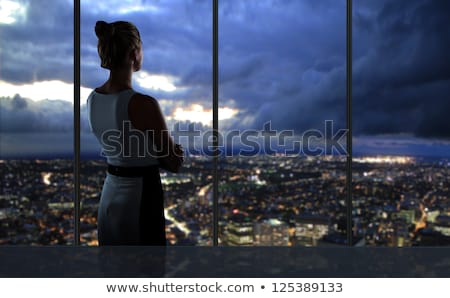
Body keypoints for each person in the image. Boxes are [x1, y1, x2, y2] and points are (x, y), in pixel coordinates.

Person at [87, 20, 184, 246]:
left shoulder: (92, 100)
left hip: (109, 193)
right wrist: (171, 151)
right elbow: (173, 162)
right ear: (134, 53)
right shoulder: (143, 104)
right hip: (141, 198)